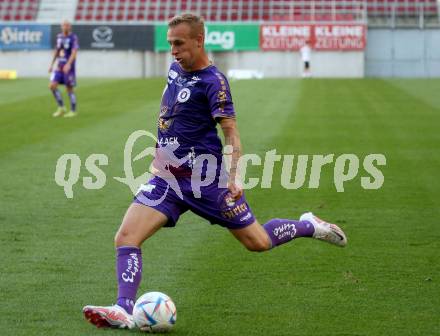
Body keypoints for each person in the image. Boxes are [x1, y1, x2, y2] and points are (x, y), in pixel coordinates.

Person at [83, 14, 347, 329]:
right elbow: (171, 113)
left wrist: (235, 176)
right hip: (168, 179)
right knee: (126, 236)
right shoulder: (174, 70)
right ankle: (123, 307)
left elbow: (231, 132)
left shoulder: (214, 82)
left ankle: (307, 225)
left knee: (258, 242)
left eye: (179, 44)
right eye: (170, 44)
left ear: (199, 41)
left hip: (207, 182)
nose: (173, 51)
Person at [48, 20, 79, 118]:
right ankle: (61, 107)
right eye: (63, 25)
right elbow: (57, 51)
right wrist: (51, 65)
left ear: (70, 27)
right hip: (59, 66)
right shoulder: (59, 37)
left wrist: (69, 64)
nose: (65, 27)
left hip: (68, 68)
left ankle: (73, 111)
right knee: (52, 86)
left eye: (67, 25)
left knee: (69, 88)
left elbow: (74, 52)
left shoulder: (73, 37)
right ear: (61, 27)